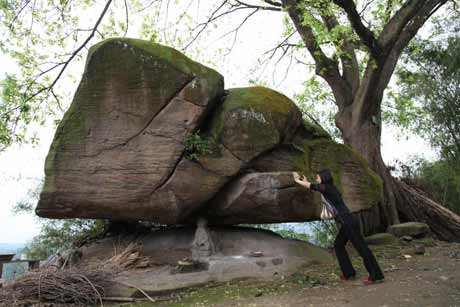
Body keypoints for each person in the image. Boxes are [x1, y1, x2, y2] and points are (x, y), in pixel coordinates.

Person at [293, 169, 384, 285]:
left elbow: (312, 186)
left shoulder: (328, 188)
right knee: (338, 245)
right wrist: (305, 182)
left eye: (318, 177)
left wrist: (297, 180)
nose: (316, 179)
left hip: (348, 222)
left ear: (323, 178)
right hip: (347, 222)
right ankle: (348, 273)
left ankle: (376, 275)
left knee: (362, 248)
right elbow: (312, 186)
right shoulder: (329, 189)